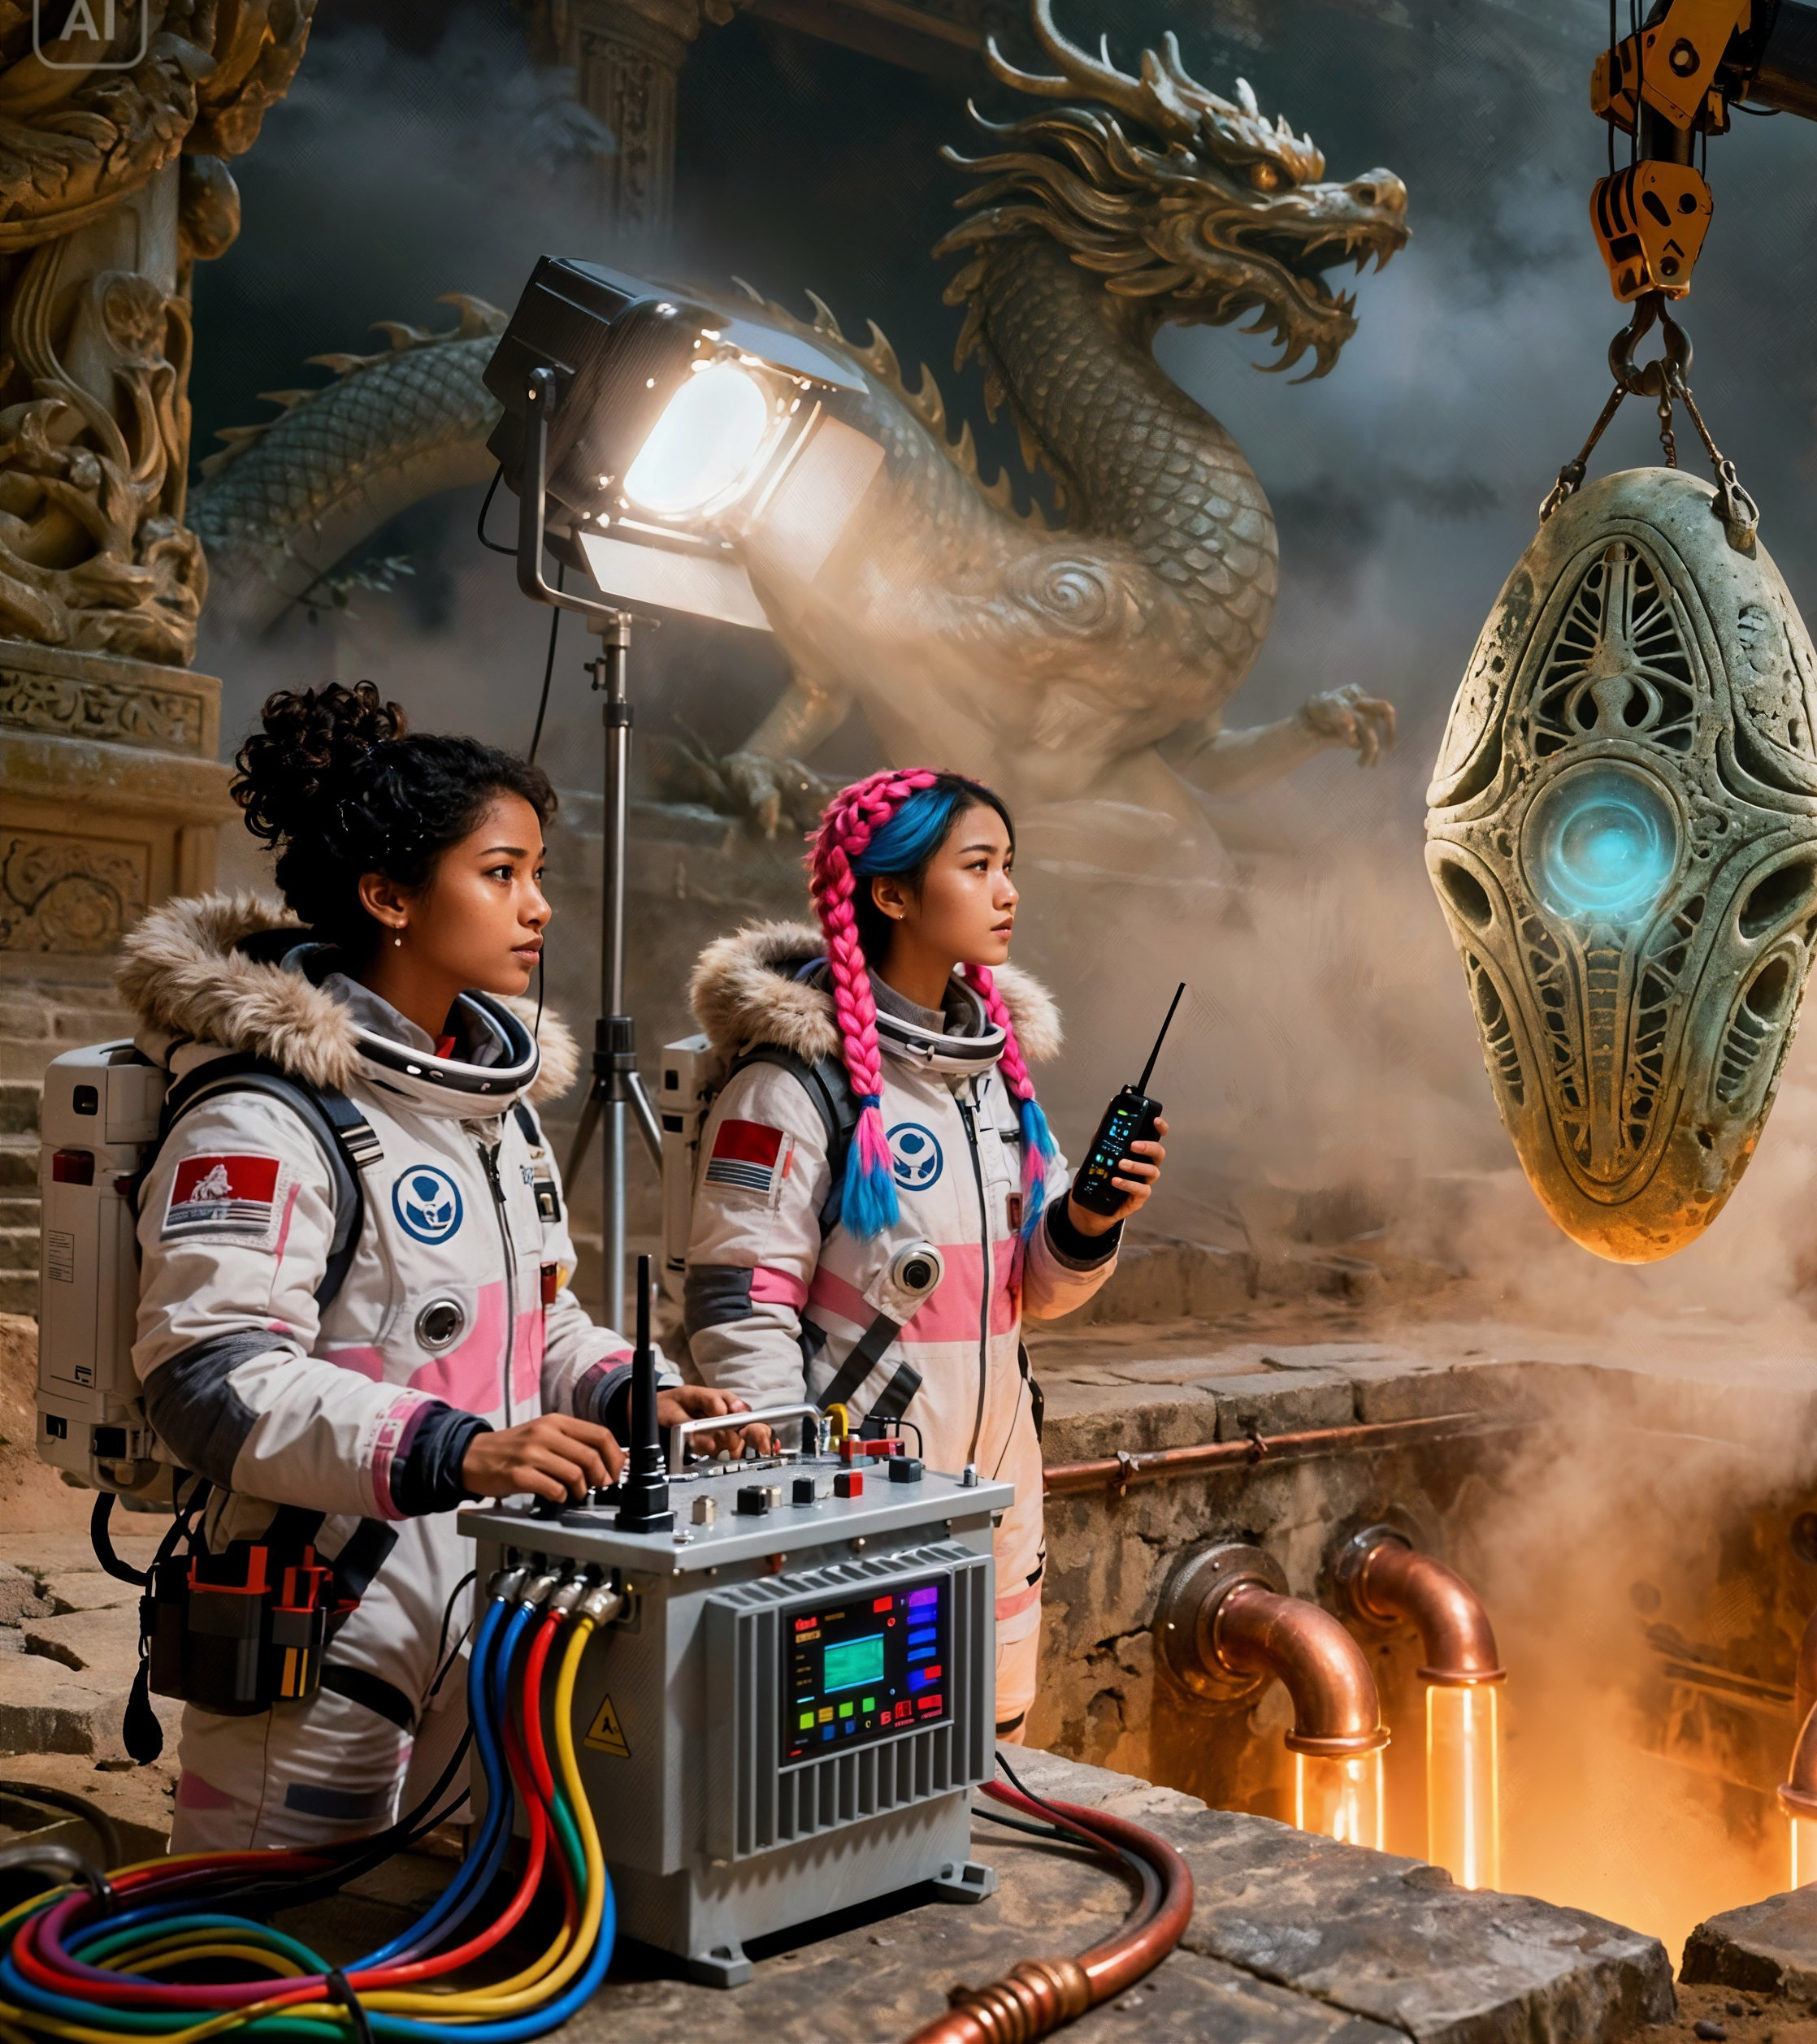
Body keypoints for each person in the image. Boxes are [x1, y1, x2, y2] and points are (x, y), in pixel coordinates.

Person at [123, 682, 756, 1851]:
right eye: (503, 873)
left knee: (454, 1953)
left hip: (489, 1605)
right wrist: (457, 1450)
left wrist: (628, 1390)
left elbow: (533, 1332)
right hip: (319, 1613)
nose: (540, 909)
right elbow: (206, 1380)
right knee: (264, 1966)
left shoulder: (490, 1111)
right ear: (389, 898)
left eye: (537, 874)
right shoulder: (264, 1113)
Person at [679, 768, 1163, 1743]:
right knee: (861, 1767)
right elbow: (740, 1306)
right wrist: (788, 1506)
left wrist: (1092, 1217)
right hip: (858, 1502)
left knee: (996, 1757)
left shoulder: (992, 1083)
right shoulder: (792, 1081)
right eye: (977, 866)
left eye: (1009, 867)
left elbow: (1036, 1291)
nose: (1008, 891)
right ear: (892, 894)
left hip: (997, 1487)